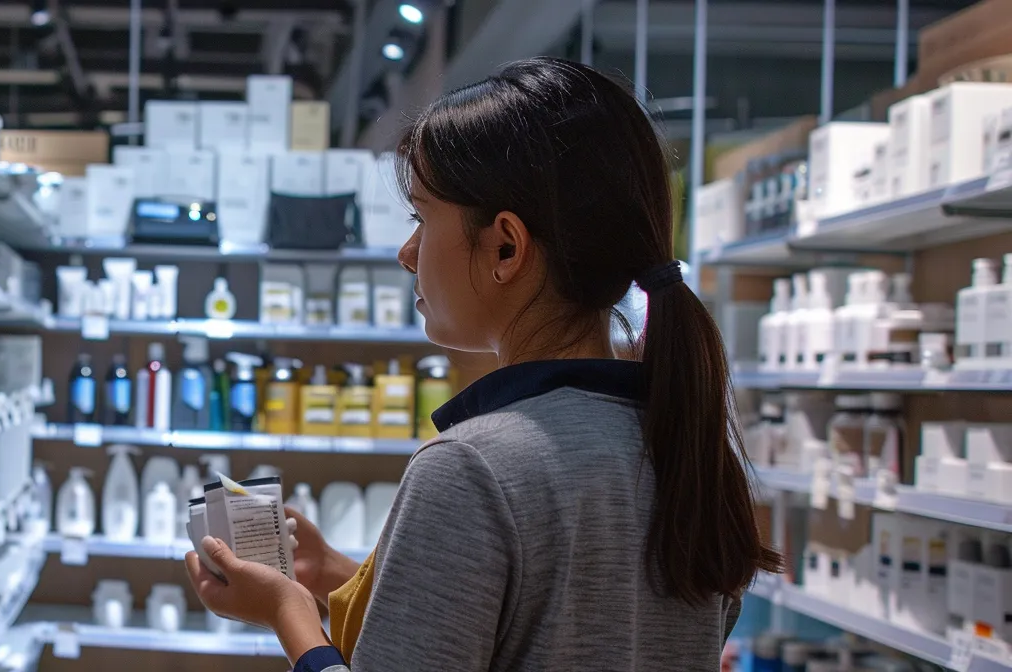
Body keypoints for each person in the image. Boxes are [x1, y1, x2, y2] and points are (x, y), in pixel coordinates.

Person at [183, 57, 782, 671]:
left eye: (421, 218)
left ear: (505, 246)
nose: (406, 252)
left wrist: (288, 613)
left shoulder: (472, 468)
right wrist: (342, 575)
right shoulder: (685, 446)